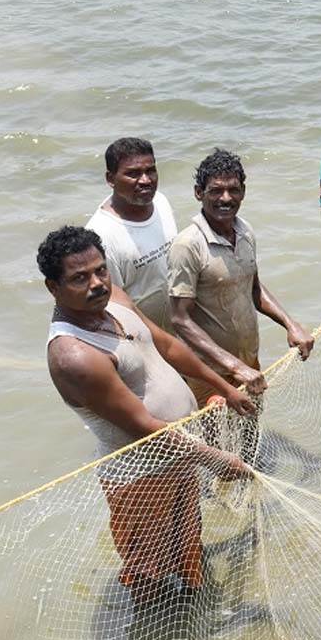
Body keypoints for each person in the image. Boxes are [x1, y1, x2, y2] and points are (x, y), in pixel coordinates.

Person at [40, 226, 254, 606]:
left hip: (179, 457)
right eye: (79, 278)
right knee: (149, 574)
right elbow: (142, 426)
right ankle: (150, 628)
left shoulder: (116, 299)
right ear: (52, 288)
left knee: (187, 549)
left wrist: (225, 383)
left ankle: (190, 611)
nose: (96, 283)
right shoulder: (73, 355)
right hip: (141, 478)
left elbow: (168, 344)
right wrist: (217, 458)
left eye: (100, 270)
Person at [169, 149, 314, 411]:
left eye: (233, 190)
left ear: (243, 192)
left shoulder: (244, 230)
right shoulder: (187, 245)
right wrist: (234, 367)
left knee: (250, 427)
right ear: (198, 193)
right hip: (208, 372)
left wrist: (291, 325)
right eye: (215, 191)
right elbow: (180, 320)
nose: (226, 198)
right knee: (216, 444)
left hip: (249, 362)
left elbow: (254, 288)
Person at [85, 137, 178, 330]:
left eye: (150, 171)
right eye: (133, 174)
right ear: (110, 179)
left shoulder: (161, 202)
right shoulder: (101, 236)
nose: (145, 180)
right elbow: (114, 308)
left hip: (176, 326)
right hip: (141, 336)